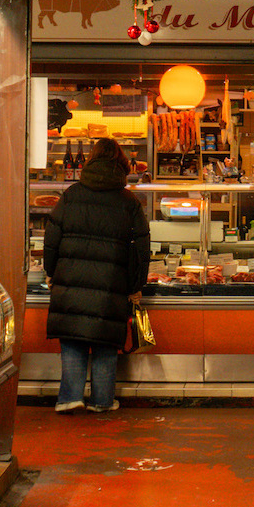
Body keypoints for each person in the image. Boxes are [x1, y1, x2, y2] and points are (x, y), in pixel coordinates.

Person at [44, 137, 150, 413]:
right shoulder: (129, 201)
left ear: (90, 160)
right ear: (122, 163)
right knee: (105, 342)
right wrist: (136, 283)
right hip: (111, 283)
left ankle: (69, 398)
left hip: (71, 279)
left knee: (73, 340)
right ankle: (102, 401)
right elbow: (141, 246)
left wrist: (51, 271)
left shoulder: (71, 194)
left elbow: (52, 236)